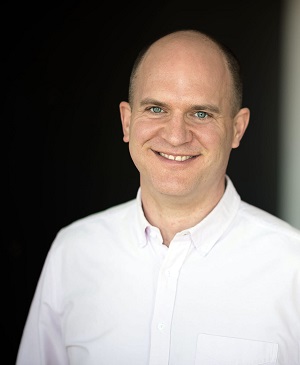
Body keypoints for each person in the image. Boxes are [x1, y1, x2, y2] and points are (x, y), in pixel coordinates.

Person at [16, 29, 300, 365]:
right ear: (126, 121)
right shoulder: (73, 253)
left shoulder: (292, 267)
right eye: (155, 109)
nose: (176, 136)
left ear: (237, 129)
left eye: (201, 113)